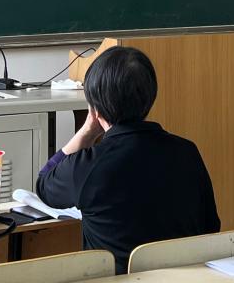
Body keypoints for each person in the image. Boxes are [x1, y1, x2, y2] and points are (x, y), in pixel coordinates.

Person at [36, 46, 220, 273]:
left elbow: (44, 184)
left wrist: (87, 131)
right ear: (150, 95)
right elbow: (210, 227)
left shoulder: (88, 167)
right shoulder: (187, 152)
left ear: (95, 109)